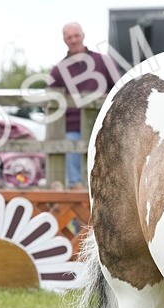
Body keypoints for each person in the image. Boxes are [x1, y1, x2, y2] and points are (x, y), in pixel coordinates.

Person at [48, 23, 119, 187]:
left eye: (76, 35)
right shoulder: (58, 70)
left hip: (102, 124)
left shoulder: (103, 61)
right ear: (64, 40)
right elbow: (52, 101)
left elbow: (119, 88)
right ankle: (76, 193)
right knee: (75, 177)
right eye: (69, 37)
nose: (73, 40)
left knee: (104, 169)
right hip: (72, 127)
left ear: (83, 35)